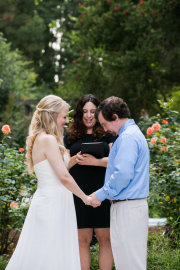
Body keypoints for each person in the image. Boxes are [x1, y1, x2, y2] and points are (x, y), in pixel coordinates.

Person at [5, 95, 93, 270]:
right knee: (50, 254)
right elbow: (64, 177)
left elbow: (58, 168)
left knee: (47, 251)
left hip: (50, 200)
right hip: (53, 203)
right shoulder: (48, 139)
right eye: (64, 116)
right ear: (52, 115)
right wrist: (85, 198)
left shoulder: (41, 137)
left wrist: (75, 158)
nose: (66, 121)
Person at [90, 96, 149, 270]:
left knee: (130, 264)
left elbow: (122, 174)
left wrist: (99, 195)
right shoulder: (129, 135)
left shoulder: (127, 138)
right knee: (127, 263)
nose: (105, 129)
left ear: (115, 117)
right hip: (127, 208)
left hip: (128, 209)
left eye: (104, 123)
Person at [64, 94, 115, 270]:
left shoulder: (107, 134)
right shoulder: (70, 135)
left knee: (105, 239)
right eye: (85, 111)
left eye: (93, 111)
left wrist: (96, 162)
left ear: (98, 113)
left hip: (103, 192)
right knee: (82, 241)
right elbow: (63, 166)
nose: (89, 115)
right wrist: (75, 159)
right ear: (80, 113)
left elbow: (116, 161)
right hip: (79, 193)